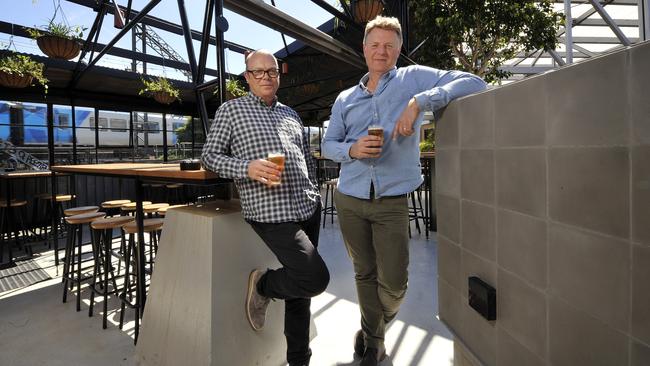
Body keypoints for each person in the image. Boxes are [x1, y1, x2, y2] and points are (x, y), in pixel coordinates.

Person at [322, 16, 487, 366]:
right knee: (364, 273)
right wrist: (351, 150)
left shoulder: (412, 79)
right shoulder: (344, 98)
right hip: (349, 196)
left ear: (398, 51)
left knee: (395, 283)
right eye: (375, 45)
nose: (381, 51)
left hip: (392, 199)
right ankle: (375, 343)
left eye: (390, 46)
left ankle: (370, 330)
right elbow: (328, 144)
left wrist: (419, 102)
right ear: (364, 48)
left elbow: (475, 82)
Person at [201, 49, 329, 366]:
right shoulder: (231, 111)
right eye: (258, 72)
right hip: (270, 211)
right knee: (314, 277)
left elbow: (304, 157)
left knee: (302, 292)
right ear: (247, 77)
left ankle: (299, 360)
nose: (266, 77)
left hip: (307, 205)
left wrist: (314, 190)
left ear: (278, 76)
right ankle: (263, 285)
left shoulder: (290, 114)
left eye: (271, 71)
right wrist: (247, 168)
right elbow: (210, 157)